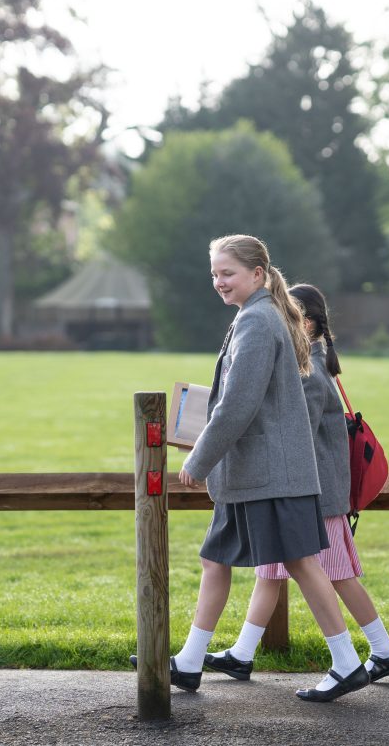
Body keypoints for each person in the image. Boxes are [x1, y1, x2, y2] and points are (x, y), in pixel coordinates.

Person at [133, 235, 369, 703]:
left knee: (301, 563)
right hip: (254, 476)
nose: (219, 282)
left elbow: (239, 405)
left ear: (257, 274)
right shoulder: (255, 315)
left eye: (228, 273)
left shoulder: (259, 321)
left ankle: (347, 663)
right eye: (215, 274)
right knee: (215, 559)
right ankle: (191, 661)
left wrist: (200, 459)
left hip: (269, 474)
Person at [203, 284, 389, 686]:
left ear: (305, 322)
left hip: (316, 493)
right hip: (303, 488)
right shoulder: (307, 363)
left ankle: (383, 650)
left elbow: (296, 435)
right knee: (271, 572)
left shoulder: (307, 372)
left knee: (338, 574)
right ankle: (242, 653)